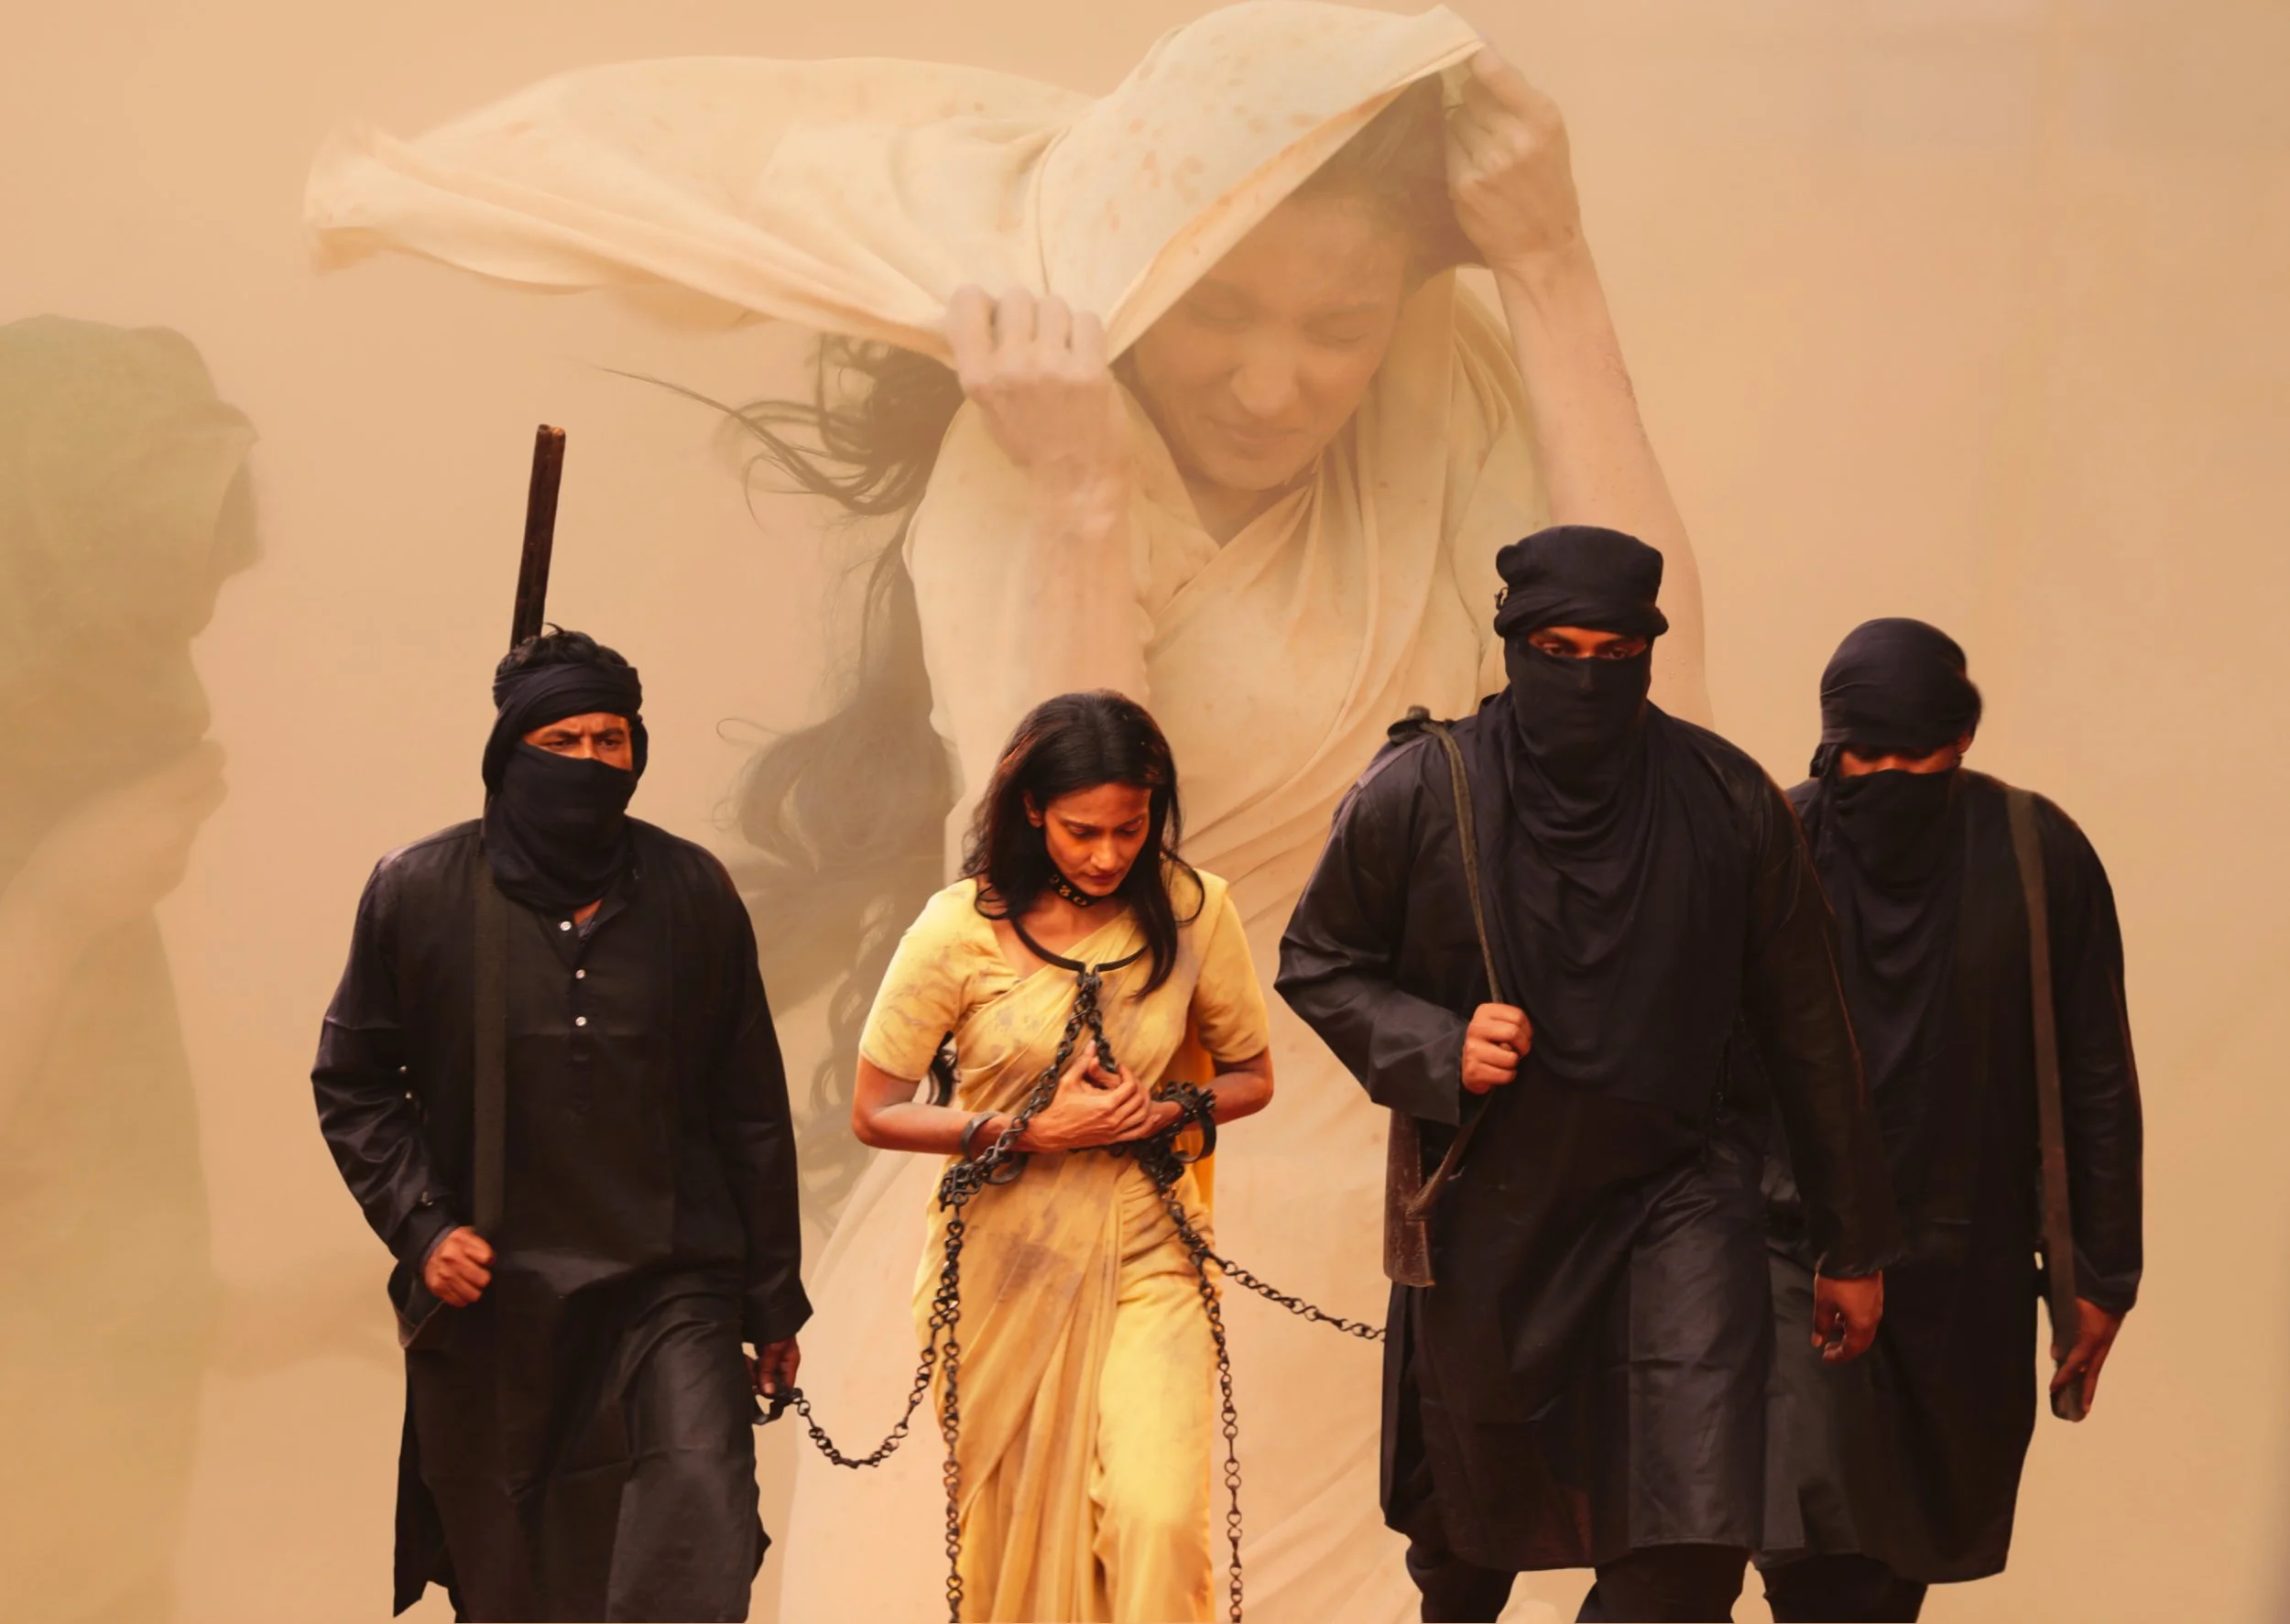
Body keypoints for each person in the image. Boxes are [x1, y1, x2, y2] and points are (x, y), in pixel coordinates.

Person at [303, 9, 1714, 1614]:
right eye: (1221, 312)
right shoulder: (1030, 469)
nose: (1274, 380)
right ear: (1132, 287)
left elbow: (1671, 734)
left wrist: (1551, 268)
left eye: (1339, 324)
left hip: (1368, 1226)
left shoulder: (1434, 402)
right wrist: (1085, 493)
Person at [1278, 525, 1903, 1622]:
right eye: (1558, 648)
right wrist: (1437, 1046)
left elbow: (1811, 1030)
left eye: (1616, 656)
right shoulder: (1426, 790)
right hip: (1492, 1207)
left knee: (1691, 1542)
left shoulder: (1726, 799)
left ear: (1649, 656)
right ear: (1510, 642)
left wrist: (1852, 1244)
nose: (1585, 678)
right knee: (1465, 1546)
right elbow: (1318, 960)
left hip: (1681, 1200)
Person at [311, 628, 810, 1621]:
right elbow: (355, 1081)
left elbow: (748, 1110)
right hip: (500, 1296)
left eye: (609, 742)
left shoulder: (692, 893)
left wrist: (771, 1301)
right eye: (562, 742)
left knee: (698, 1526)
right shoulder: (418, 891)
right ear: (508, 754)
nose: (588, 763)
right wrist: (424, 1228)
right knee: (522, 1584)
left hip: (672, 1285)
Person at [848, 689, 1274, 1621]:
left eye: (1132, 828)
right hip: (1007, 1263)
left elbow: (1251, 1075)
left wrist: (1162, 1110)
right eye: (1083, 829)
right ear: (1032, 808)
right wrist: (1027, 1133)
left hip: (1149, 1247)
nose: (1110, 854)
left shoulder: (1194, 912)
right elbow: (874, 1111)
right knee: (1013, 1543)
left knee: (1155, 1521)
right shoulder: (957, 929)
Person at [1752, 619, 2143, 1622]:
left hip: (1966, 1268)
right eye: (1862, 753)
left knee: (1899, 1561)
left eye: (1912, 753)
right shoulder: (1774, 846)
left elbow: (2095, 1070)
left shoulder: (2032, 850)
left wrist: (2099, 1274)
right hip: (1794, 1257)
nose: (1886, 775)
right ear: (1828, 741)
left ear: (1962, 737)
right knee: (1814, 1548)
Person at [0, 314, 253, 1624]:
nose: (177, 692)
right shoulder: (59, 873)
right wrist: (47, 913)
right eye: (130, 620)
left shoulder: (70, 824)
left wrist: (275, 1321)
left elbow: (52, 1225)